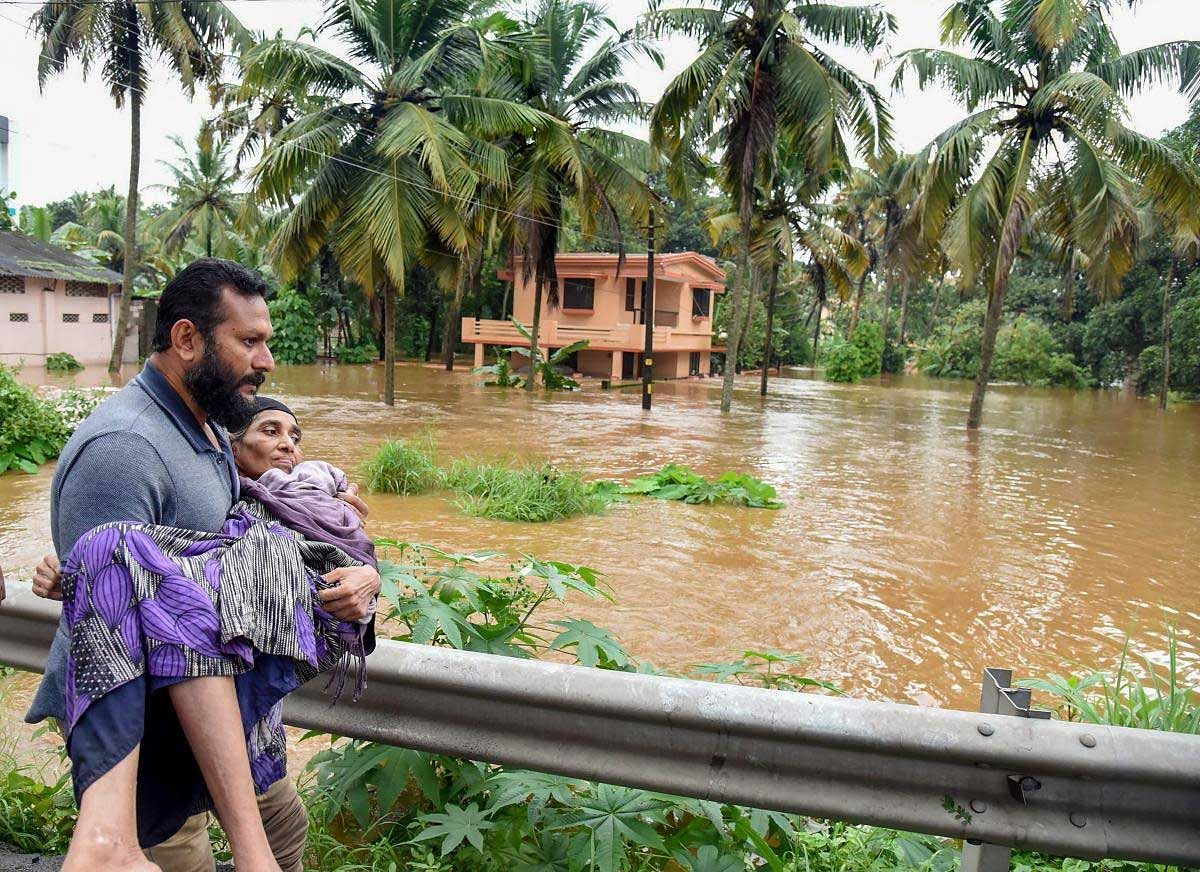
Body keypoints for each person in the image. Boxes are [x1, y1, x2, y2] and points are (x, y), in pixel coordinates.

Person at [25, 258, 381, 872]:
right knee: (181, 857)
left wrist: (361, 572)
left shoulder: (212, 427)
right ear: (187, 339)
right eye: (249, 342)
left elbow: (253, 547)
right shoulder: (125, 451)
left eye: (264, 341)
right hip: (156, 733)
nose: (266, 361)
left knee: (283, 834)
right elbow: (103, 624)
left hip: (232, 707)